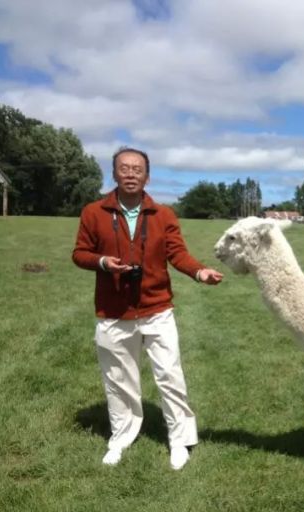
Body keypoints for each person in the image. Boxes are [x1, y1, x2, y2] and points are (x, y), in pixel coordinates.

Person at [72, 147, 223, 471]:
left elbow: (177, 253)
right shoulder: (93, 212)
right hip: (113, 311)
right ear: (114, 173)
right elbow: (80, 253)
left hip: (157, 309)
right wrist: (103, 262)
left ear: (147, 177)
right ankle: (121, 437)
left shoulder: (164, 214)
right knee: (119, 380)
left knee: (170, 375)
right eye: (124, 168)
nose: (130, 174)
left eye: (137, 169)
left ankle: (180, 441)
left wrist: (199, 272)